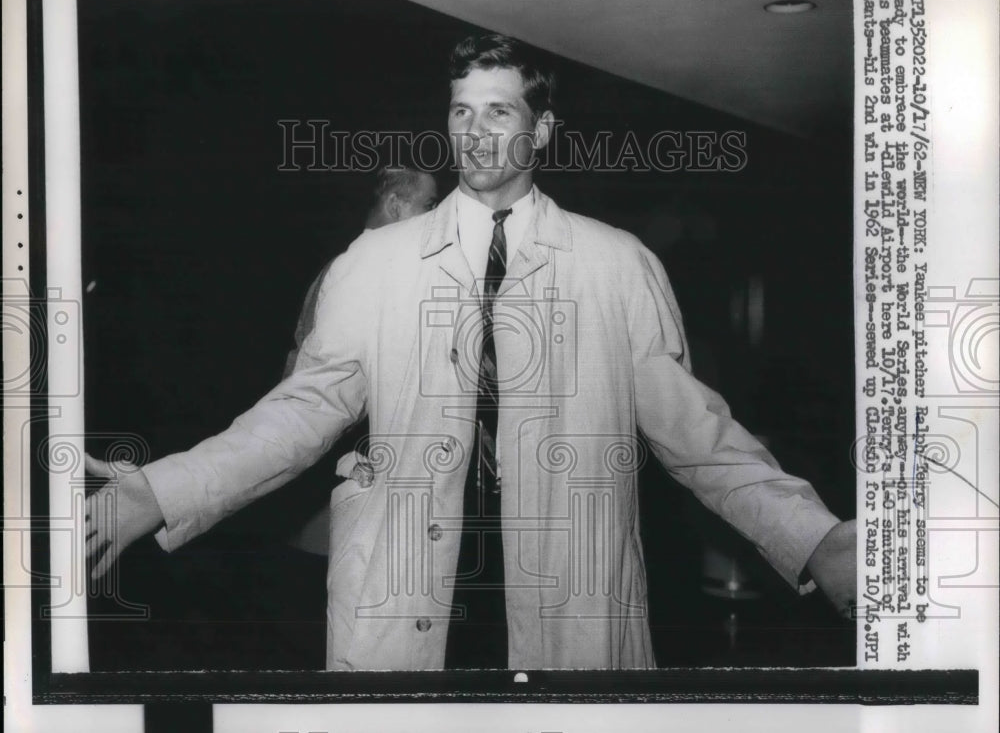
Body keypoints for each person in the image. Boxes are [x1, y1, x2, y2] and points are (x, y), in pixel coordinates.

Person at [86, 33, 856, 671]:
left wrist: (813, 538)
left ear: (543, 128)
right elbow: (299, 414)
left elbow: (699, 436)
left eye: (499, 111)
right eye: (461, 111)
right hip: (408, 608)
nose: (475, 132)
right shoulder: (375, 262)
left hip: (567, 611)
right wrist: (160, 491)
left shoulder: (617, 265)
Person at [283, 165, 438, 554]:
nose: (438, 220)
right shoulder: (359, 273)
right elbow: (305, 390)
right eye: (429, 205)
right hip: (351, 498)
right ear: (397, 207)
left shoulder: (371, 271)